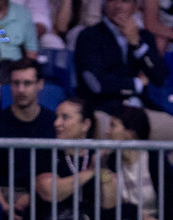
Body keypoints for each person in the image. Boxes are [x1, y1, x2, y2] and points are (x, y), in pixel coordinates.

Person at [33, 97, 117, 220]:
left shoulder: (96, 154)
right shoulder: (47, 150)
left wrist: (101, 170)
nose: (57, 123)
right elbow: (50, 192)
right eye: (57, 117)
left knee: (118, 216)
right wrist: (89, 172)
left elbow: (109, 203)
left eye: (65, 118)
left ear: (85, 124)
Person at [0, 58, 56, 220]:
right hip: (5, 192)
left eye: (27, 83)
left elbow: (56, 172)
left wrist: (32, 196)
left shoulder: (52, 123)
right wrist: (3, 203)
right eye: (16, 83)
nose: (20, 89)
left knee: (44, 208)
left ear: (40, 84)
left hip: (39, 192)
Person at [74, 0, 173, 141]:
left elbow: (160, 76)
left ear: (135, 6)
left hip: (138, 111)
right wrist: (137, 84)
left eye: (125, 1)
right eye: (112, 0)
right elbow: (97, 85)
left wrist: (137, 44)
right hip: (104, 109)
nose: (118, 6)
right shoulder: (89, 36)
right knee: (106, 128)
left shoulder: (144, 37)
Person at [106, 105, 173, 220]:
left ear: (131, 132)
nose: (108, 132)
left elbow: (170, 196)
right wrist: (139, 215)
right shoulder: (111, 162)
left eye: (113, 126)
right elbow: (113, 206)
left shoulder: (154, 159)